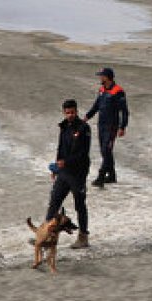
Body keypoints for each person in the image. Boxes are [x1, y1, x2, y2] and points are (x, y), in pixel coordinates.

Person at [46, 99, 92, 249]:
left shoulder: (84, 128)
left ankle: (83, 237)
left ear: (77, 111)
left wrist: (66, 162)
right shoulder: (64, 126)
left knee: (80, 205)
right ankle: (46, 236)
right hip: (64, 173)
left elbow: (83, 153)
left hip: (78, 174)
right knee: (54, 203)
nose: (70, 115)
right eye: (67, 113)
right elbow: (60, 149)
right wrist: (56, 168)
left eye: (72, 112)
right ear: (64, 113)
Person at [84, 67, 129, 188]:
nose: (100, 78)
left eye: (101, 76)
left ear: (107, 77)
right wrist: (87, 117)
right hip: (101, 125)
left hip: (112, 126)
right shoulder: (102, 90)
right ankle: (112, 175)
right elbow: (96, 106)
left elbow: (124, 111)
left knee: (106, 150)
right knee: (105, 151)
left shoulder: (118, 91)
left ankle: (101, 177)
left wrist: (122, 127)